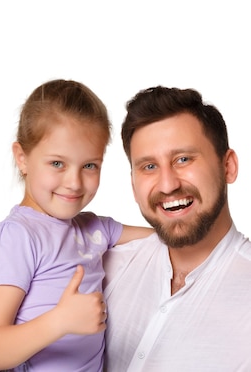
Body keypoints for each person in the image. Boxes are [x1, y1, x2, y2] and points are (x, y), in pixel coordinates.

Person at [0, 79, 153, 372]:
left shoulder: (94, 229)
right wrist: (61, 320)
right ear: (22, 158)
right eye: (57, 163)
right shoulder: (16, 237)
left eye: (90, 165)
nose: (74, 182)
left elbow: (164, 238)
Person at [103, 86, 251, 371]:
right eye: (148, 167)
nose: (168, 184)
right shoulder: (101, 269)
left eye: (183, 159)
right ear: (133, 185)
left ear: (228, 166)